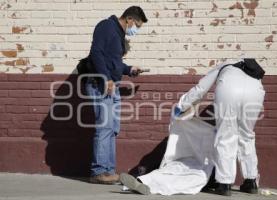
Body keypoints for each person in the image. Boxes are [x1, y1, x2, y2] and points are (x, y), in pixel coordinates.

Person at [120, 59, 265, 196]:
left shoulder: (226, 64)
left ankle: (224, 184)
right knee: (247, 135)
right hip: (256, 90)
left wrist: (182, 106)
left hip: (230, 89)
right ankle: (251, 182)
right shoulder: (252, 68)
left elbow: (201, 89)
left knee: (225, 135)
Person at [86, 6, 148, 184]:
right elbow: (96, 53)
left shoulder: (119, 35)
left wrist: (130, 69)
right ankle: (98, 172)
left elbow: (113, 63)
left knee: (113, 129)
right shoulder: (106, 26)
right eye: (136, 25)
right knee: (104, 128)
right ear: (129, 19)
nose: (135, 30)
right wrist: (105, 78)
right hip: (101, 84)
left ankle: (108, 170)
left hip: (112, 85)